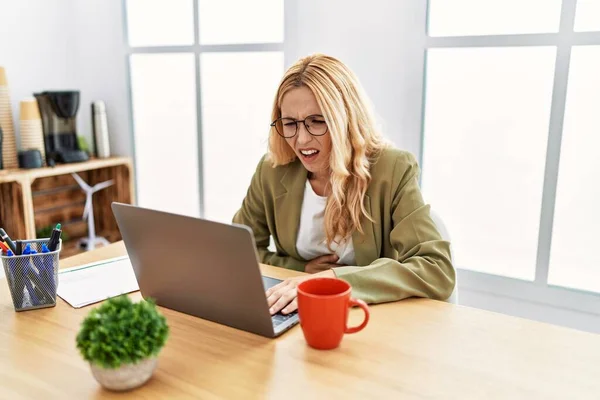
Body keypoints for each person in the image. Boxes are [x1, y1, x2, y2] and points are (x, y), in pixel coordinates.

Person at [233, 54, 455, 315]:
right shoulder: (272, 170)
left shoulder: (392, 168)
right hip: (296, 312)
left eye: (317, 121)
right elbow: (238, 251)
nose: (301, 139)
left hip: (370, 316)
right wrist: (300, 270)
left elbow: (436, 267)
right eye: (290, 123)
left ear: (345, 120)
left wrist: (331, 280)